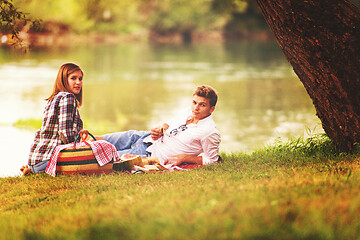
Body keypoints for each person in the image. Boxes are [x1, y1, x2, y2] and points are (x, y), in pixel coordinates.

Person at [99, 85, 221, 167]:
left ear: (212, 109)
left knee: (104, 157)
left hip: (149, 155)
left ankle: (81, 158)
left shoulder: (209, 132)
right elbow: (169, 123)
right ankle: (80, 141)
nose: (196, 108)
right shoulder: (188, 111)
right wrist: (160, 129)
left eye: (202, 105)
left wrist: (184, 157)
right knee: (101, 139)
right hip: (145, 137)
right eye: (194, 102)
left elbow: (212, 160)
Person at [20, 63, 87, 175]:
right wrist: (78, 149)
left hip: (37, 159)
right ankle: (37, 171)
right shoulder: (68, 98)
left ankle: (33, 170)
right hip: (50, 160)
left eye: (80, 79)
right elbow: (65, 133)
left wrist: (79, 133)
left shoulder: (54, 98)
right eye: (73, 78)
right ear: (64, 80)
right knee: (102, 153)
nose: (78, 82)